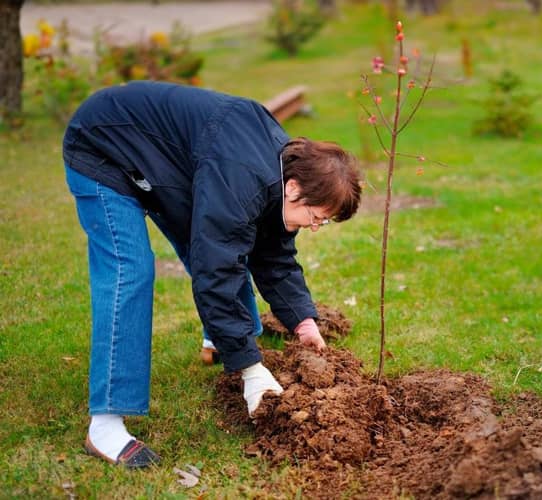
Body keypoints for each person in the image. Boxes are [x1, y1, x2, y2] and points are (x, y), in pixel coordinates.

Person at [63, 81, 362, 468]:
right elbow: (215, 268)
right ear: (293, 189)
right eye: (317, 218)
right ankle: (105, 424)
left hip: (166, 161)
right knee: (130, 271)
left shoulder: (279, 171)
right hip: (104, 146)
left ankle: (224, 341)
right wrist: (252, 369)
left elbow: (273, 255)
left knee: (226, 240)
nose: (316, 227)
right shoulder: (244, 178)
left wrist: (303, 321)